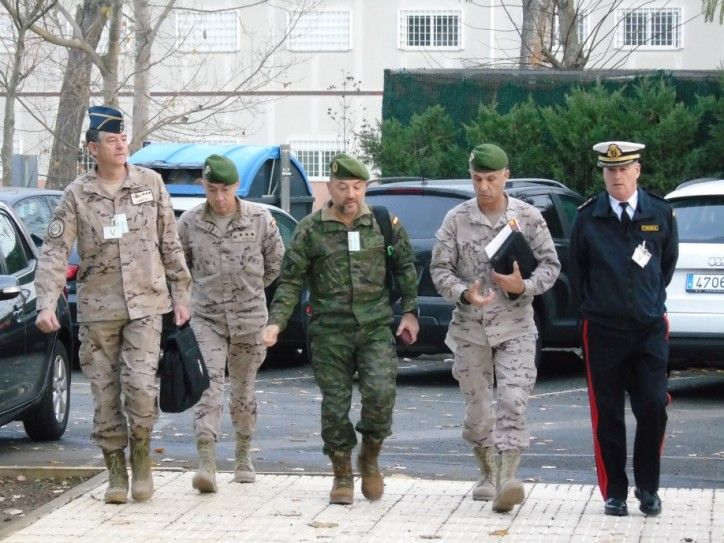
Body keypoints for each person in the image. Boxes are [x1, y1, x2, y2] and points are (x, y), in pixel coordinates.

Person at [35, 105, 191, 504]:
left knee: (139, 388)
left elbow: (169, 241)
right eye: (111, 140)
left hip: (145, 305)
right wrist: (46, 303)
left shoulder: (150, 183)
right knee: (105, 395)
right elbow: (54, 250)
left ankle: (141, 460)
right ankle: (115, 472)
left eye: (123, 138)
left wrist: (181, 295)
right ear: (93, 148)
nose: (121, 145)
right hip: (98, 310)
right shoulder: (76, 194)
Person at [261, 152, 419, 505]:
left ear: (364, 188)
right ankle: (342, 473)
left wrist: (411, 312)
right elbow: (289, 282)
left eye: (358, 186)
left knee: (380, 395)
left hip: (375, 327)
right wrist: (275, 323)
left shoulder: (383, 223)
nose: (351, 194)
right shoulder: (310, 230)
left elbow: (406, 268)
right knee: (335, 406)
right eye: (343, 186)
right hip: (329, 331)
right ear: (330, 187)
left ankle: (371, 456)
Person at [430, 143, 560, 513]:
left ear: (506, 176)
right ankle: (486, 471)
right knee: (479, 408)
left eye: (491, 178)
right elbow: (439, 271)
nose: (484, 186)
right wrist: (463, 293)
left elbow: (551, 265)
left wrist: (525, 287)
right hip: (470, 330)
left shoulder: (528, 217)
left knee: (512, 401)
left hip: (516, 326)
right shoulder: (456, 219)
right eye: (477, 178)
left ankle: (508, 479)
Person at [569, 141, 678, 517]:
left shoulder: (660, 213)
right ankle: (614, 490)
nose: (616, 176)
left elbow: (665, 267)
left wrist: (644, 302)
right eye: (609, 170)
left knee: (653, 406)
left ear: (637, 170)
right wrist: (604, 305)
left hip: (648, 328)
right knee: (608, 413)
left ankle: (648, 488)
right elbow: (580, 272)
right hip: (603, 330)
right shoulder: (588, 217)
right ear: (603, 173)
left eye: (623, 169)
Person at [176, 154, 285, 493]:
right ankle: (206, 462)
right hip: (206, 318)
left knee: (243, 390)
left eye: (225, 189)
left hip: (250, 318)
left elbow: (276, 264)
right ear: (204, 187)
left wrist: (249, 290)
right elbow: (181, 268)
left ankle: (242, 455)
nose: (219, 197)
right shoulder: (190, 222)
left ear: (237, 187)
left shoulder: (260, 219)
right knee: (208, 387)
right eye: (212, 189)